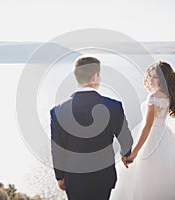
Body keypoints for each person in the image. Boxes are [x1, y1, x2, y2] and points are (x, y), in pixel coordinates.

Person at [111, 61, 175, 199]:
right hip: (165, 137)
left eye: (155, 77)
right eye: (149, 76)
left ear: (163, 79)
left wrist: (135, 152)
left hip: (152, 139)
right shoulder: (167, 96)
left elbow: (148, 126)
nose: (150, 80)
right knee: (165, 175)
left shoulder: (154, 97)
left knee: (146, 175)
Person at [50, 56, 133, 200]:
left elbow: (57, 148)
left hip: (73, 179)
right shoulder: (114, 106)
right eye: (99, 74)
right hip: (103, 177)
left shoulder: (58, 110)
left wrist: (60, 176)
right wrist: (126, 154)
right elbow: (125, 139)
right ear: (95, 76)